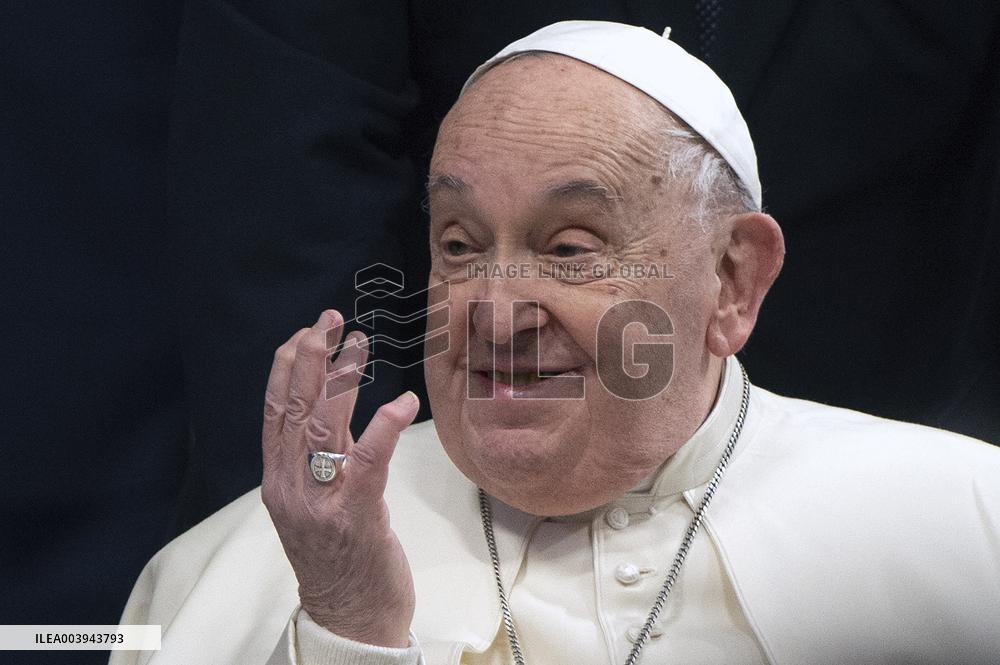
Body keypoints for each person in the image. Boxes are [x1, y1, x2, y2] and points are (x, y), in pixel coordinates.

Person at [111, 21, 1000, 665]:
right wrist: (349, 628)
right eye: (458, 244)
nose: (494, 313)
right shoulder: (229, 570)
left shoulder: (966, 524)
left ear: (733, 281)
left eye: (569, 248)